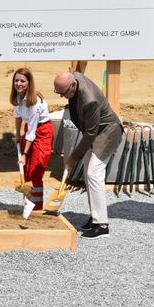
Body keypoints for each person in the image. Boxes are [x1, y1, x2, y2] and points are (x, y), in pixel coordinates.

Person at [53, 71, 123, 239]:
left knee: (94, 173)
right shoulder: (74, 77)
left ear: (73, 85)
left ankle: (102, 225)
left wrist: (72, 157)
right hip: (95, 131)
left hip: (108, 132)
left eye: (63, 93)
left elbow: (90, 134)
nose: (63, 97)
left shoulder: (89, 100)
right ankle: (95, 215)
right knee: (87, 172)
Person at [10, 68, 53, 210]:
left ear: (29, 83)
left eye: (22, 81)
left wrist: (24, 154)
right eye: (16, 80)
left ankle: (37, 209)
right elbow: (18, 116)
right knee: (26, 170)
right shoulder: (18, 97)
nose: (19, 83)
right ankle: (28, 205)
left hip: (43, 131)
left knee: (36, 170)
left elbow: (32, 132)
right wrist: (17, 135)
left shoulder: (34, 102)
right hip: (30, 129)